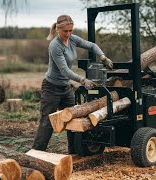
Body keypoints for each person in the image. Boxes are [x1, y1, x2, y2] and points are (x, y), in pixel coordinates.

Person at [32, 15, 113, 154]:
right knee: (47, 122)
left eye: (70, 30)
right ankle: (36, 154)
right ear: (58, 30)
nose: (68, 34)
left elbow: (92, 46)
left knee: (73, 117)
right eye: (65, 31)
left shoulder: (73, 39)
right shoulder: (55, 45)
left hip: (65, 88)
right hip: (51, 88)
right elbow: (64, 70)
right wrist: (82, 81)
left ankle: (75, 152)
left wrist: (103, 57)